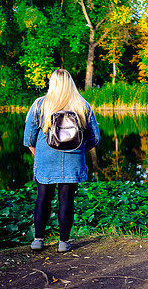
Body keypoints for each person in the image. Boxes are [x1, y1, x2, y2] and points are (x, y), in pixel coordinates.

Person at [23, 69, 101, 252]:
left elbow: (28, 138)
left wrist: (39, 154)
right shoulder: (82, 105)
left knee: (43, 198)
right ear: (71, 83)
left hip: (46, 158)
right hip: (73, 159)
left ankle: (38, 240)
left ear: (52, 83)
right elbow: (95, 138)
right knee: (66, 200)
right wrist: (80, 150)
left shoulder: (40, 104)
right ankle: (64, 243)